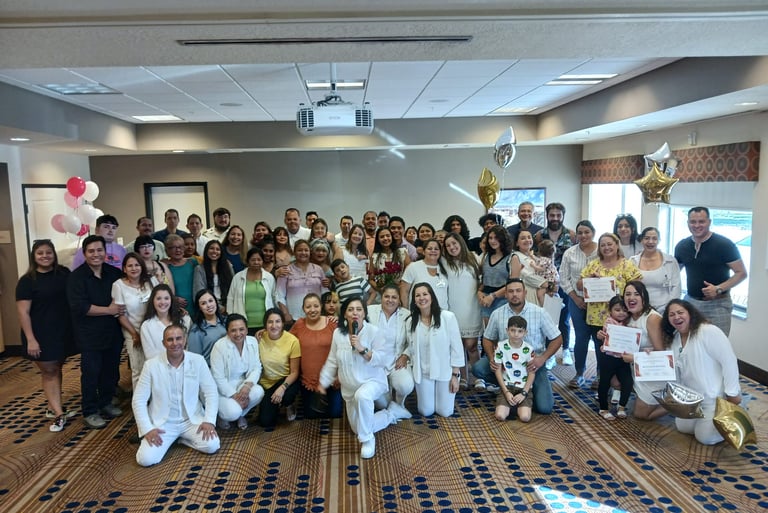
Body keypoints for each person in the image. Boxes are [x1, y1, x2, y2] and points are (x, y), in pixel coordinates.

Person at [317, 296, 410, 459]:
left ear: (364, 313)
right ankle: (392, 413)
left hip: (372, 381)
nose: (355, 313)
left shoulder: (374, 332)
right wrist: (323, 381)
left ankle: (368, 440)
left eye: (359, 309)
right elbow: (332, 359)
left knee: (363, 396)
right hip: (349, 387)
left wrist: (362, 349)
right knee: (357, 427)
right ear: (344, 314)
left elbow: (383, 359)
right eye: (351, 309)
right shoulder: (338, 334)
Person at [132, 324, 220, 467]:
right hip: (164, 424)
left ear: (185, 340)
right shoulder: (151, 365)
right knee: (145, 460)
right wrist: (147, 429)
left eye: (178, 339)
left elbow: (210, 392)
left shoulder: (197, 360)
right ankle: (174, 438)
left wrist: (209, 420)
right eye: (170, 340)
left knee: (212, 445)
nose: (175, 343)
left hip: (191, 421)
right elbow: (138, 400)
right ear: (163, 343)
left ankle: (181, 439)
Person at [472, 278, 563, 414]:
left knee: (544, 408)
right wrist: (492, 358)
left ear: (525, 293)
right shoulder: (497, 313)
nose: (515, 294)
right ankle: (508, 388)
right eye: (511, 291)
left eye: (518, 291)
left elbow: (557, 338)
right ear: (506, 294)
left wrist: (542, 359)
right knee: (478, 368)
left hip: (532, 365)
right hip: (506, 364)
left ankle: (529, 389)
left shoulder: (539, 312)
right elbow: (487, 339)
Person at [16, 240, 76, 432]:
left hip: (62, 330)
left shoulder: (63, 273)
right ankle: (59, 415)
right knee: (49, 371)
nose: (45, 256)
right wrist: (31, 339)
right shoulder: (27, 281)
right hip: (39, 333)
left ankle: (53, 406)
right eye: (40, 253)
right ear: (34, 256)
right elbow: (23, 313)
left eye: (48, 252)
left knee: (57, 367)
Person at [662, 299, 741, 445]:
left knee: (704, 437)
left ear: (690, 314)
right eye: (671, 315)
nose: (676, 317)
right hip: (692, 401)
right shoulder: (675, 338)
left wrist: (733, 394)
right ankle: (708, 423)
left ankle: (733, 418)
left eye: (680, 312)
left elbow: (729, 361)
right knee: (682, 426)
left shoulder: (708, 331)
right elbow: (671, 368)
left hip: (715, 399)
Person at [66, 235, 125, 429]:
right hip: (89, 334)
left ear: (105, 252)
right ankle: (90, 410)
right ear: (84, 254)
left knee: (110, 370)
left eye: (99, 250)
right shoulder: (76, 277)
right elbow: (80, 307)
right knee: (91, 373)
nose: (96, 254)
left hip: (112, 331)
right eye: (91, 251)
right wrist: (108, 310)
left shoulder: (113, 273)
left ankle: (106, 402)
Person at [577, 233, 642, 388]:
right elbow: (579, 285)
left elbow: (638, 285)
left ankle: (619, 385)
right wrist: (589, 281)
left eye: (609, 244)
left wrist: (621, 290)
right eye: (603, 245)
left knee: (620, 353)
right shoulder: (594, 265)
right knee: (602, 352)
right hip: (597, 318)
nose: (606, 247)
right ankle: (602, 379)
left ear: (617, 245)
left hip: (621, 317)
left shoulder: (626, 265)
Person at [674, 206, 747, 336]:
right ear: (688, 223)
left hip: (718, 305)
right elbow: (673, 273)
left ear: (709, 222)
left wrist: (718, 288)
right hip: (691, 303)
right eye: (693, 222)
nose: (697, 225)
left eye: (701, 221)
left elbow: (741, 273)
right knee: (691, 343)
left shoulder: (724, 245)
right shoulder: (682, 246)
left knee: (717, 346)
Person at [406, 283, 465, 417]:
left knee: (445, 412)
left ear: (432, 297)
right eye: (417, 295)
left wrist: (455, 375)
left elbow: (457, 347)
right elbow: (410, 347)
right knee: (425, 411)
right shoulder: (410, 322)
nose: (422, 298)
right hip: (423, 373)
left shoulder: (447, 317)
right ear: (414, 300)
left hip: (445, 373)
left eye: (425, 294)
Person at [534, 202, 577, 362]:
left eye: (558, 215)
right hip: (544, 285)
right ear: (547, 216)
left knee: (564, 319)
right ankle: (549, 354)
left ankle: (565, 350)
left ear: (563, 216)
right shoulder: (539, 236)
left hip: (564, 283)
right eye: (552, 215)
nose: (555, 218)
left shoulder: (572, 235)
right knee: (546, 319)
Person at [621, 281, 667, 420]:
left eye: (636, 294)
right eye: (627, 294)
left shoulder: (652, 318)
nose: (631, 298)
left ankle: (674, 406)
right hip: (635, 366)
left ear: (644, 298)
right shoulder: (627, 316)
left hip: (653, 369)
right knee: (614, 380)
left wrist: (635, 358)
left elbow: (661, 353)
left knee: (640, 415)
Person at [290, 293, 342, 419]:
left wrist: (339, 375)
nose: (312, 310)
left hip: (331, 378)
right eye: (308, 307)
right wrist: (265, 332)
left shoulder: (332, 323)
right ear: (303, 309)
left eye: (316, 306)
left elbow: (344, 349)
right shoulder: (299, 324)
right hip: (309, 380)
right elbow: (285, 340)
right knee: (312, 415)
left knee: (334, 414)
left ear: (321, 307)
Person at [209, 314, 265, 430]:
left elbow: (256, 367)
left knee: (258, 391)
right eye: (233, 330)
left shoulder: (252, 342)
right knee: (232, 413)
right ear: (227, 332)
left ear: (247, 329)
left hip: (242, 383)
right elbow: (218, 377)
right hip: (223, 387)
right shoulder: (219, 346)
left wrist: (247, 386)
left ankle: (241, 415)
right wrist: (235, 396)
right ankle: (226, 416)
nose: (238, 334)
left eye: (241, 329)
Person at [560, 221, 599, 385]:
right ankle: (579, 373)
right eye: (580, 233)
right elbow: (563, 278)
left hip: (600, 303)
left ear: (593, 233)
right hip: (576, 301)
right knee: (581, 339)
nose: (583, 236)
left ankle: (600, 376)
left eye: (587, 232)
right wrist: (576, 298)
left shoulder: (602, 251)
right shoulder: (569, 253)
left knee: (600, 340)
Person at [442, 232, 482, 388]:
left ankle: (478, 378)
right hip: (454, 310)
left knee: (472, 346)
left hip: (472, 308)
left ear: (461, 243)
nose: (452, 247)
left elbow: (483, 279)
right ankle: (463, 377)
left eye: (454, 243)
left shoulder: (474, 258)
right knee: (458, 347)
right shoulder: (444, 262)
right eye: (448, 245)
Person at [112, 252, 157, 390]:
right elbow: (120, 314)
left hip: (153, 330)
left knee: (156, 366)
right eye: (129, 265)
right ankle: (139, 405)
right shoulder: (118, 285)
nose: (134, 268)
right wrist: (134, 334)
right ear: (124, 268)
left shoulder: (151, 281)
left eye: (137, 265)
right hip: (133, 331)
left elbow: (162, 301)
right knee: (138, 369)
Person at [368, 284, 414, 407]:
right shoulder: (369, 311)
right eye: (386, 296)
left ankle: (399, 402)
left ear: (399, 300)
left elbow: (413, 340)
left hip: (396, 361)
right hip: (375, 364)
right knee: (383, 405)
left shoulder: (407, 315)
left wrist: (405, 355)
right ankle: (388, 400)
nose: (390, 300)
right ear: (381, 298)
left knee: (405, 386)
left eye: (394, 297)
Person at [257, 309, 301, 427]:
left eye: (278, 321)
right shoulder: (259, 338)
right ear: (265, 324)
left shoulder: (292, 341)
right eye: (270, 322)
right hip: (267, 382)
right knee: (266, 422)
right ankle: (275, 404)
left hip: (287, 379)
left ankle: (289, 404)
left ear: (282, 323)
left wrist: (282, 388)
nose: (274, 325)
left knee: (286, 397)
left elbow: (295, 372)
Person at [595, 296, 634, 420]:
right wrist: (601, 335)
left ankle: (622, 407)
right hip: (608, 357)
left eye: (624, 310)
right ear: (610, 310)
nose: (621, 313)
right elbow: (604, 335)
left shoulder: (630, 322)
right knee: (604, 382)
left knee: (627, 382)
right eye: (617, 310)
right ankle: (603, 408)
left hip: (623, 358)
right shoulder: (609, 322)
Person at [492, 316, 536, 423]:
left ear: (525, 332)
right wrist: (506, 392)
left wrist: (524, 393)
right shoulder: (501, 346)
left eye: (520, 331)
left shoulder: (529, 349)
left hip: (523, 388)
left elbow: (532, 372)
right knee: (500, 416)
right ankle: (509, 404)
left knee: (525, 418)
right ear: (507, 331)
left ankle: (517, 405)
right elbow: (497, 369)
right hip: (507, 386)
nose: (516, 334)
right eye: (513, 330)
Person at [630, 227, 681, 312]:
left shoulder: (670, 261)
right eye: (647, 238)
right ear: (641, 240)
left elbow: (676, 287)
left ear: (659, 240)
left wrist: (669, 309)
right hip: (639, 309)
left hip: (665, 309)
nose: (650, 242)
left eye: (654, 238)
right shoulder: (632, 261)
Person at [276, 239, 327, 325]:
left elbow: (325, 292)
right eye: (300, 250)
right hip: (294, 317)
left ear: (310, 252)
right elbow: (279, 295)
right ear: (294, 253)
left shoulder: (318, 269)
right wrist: (285, 314)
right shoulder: (286, 270)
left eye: (306, 250)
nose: (303, 253)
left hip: (316, 315)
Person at [227, 247, 277, 335]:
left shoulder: (269, 277)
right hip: (242, 324)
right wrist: (231, 318)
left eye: (259, 260)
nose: (256, 262)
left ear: (262, 261)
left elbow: (274, 298)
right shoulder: (238, 277)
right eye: (253, 260)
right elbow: (230, 298)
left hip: (265, 323)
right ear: (247, 261)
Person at [140, 284, 191, 361]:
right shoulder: (146, 326)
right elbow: (149, 355)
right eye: (158, 298)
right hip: (159, 369)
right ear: (153, 301)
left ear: (171, 300)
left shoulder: (185, 319)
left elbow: (188, 348)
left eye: (166, 298)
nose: (163, 302)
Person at [477, 225, 513, 328]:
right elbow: (484, 279)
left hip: (502, 299)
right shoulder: (486, 256)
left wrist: (493, 296)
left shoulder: (512, 257)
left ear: (503, 239)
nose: (493, 241)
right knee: (488, 333)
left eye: (496, 238)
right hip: (486, 299)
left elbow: (513, 284)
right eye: (490, 238)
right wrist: (479, 292)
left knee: (501, 332)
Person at [400, 238, 448, 309]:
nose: (433, 251)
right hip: (417, 313)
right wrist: (405, 311)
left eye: (436, 249)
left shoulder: (445, 268)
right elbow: (404, 291)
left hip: (441, 314)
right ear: (423, 251)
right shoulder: (413, 267)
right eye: (429, 248)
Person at [368, 226, 409, 301]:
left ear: (392, 237)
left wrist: (400, 286)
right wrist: (381, 288)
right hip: (381, 296)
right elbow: (371, 279)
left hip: (400, 293)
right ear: (378, 240)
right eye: (382, 237)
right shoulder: (374, 256)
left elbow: (410, 275)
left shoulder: (402, 252)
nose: (385, 238)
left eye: (388, 235)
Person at [193, 239, 234, 313]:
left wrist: (227, 306)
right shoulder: (199, 269)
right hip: (208, 308)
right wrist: (218, 307)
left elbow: (233, 288)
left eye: (218, 249)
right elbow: (199, 292)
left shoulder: (228, 267)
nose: (214, 251)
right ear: (206, 251)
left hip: (228, 308)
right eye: (211, 248)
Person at [188, 289, 227, 365]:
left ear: (215, 301)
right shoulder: (196, 330)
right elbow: (195, 358)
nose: (209, 305)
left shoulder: (226, 321)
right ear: (199, 307)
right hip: (209, 370)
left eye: (210, 301)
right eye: (203, 303)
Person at [510, 230, 548, 306]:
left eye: (529, 237)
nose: (527, 240)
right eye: (523, 238)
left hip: (541, 293)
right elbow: (526, 276)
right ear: (517, 243)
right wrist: (546, 283)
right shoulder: (516, 257)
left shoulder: (535, 257)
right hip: (528, 294)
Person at [165, 234, 198, 312]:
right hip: (176, 308)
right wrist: (172, 298)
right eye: (173, 247)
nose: (178, 250)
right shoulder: (165, 267)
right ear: (167, 250)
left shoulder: (193, 262)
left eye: (180, 247)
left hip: (196, 305)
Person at [530, 239, 560, 307]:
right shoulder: (546, 259)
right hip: (552, 280)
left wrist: (533, 266)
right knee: (548, 295)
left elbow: (541, 269)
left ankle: (544, 307)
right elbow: (538, 260)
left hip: (549, 280)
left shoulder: (545, 260)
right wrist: (532, 256)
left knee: (540, 294)